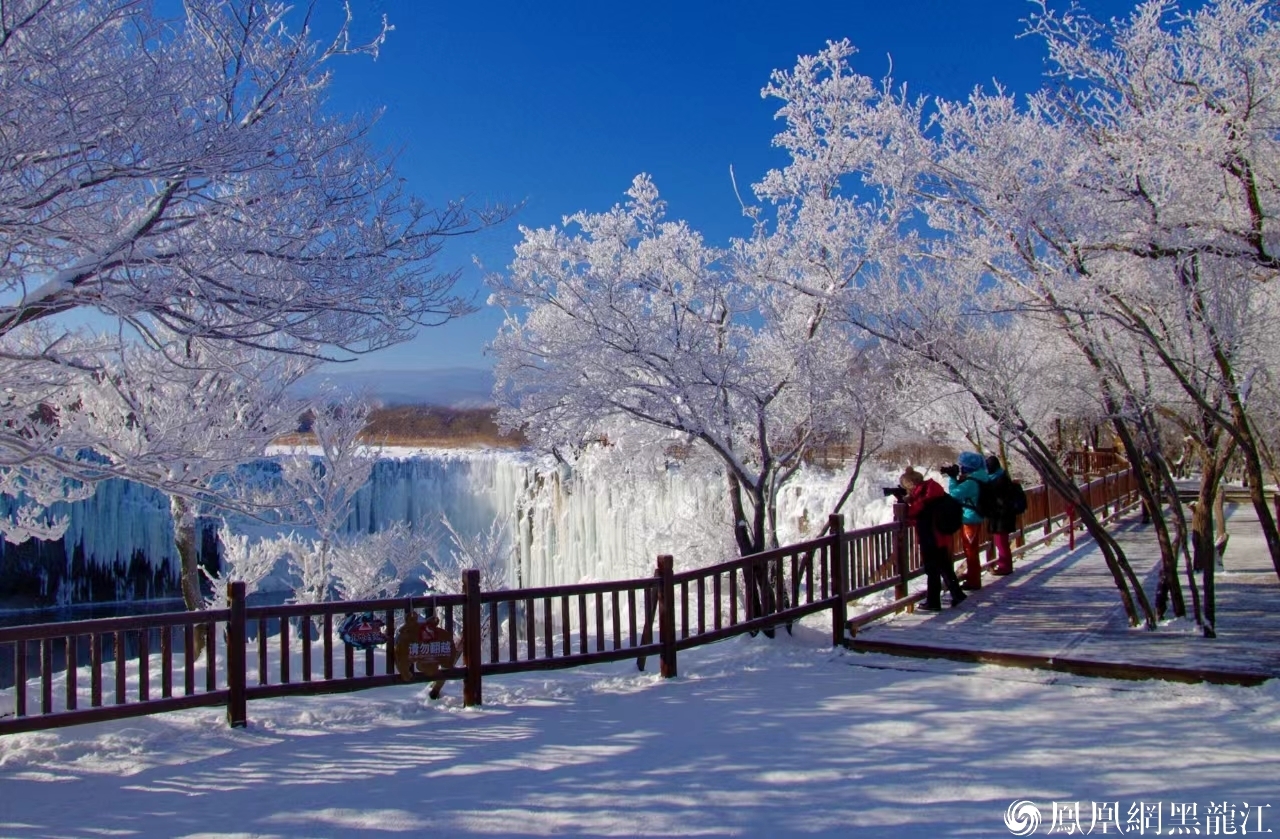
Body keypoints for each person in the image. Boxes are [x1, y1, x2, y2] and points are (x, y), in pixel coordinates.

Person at [899, 468, 966, 611]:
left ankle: (933, 602)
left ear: (911, 484)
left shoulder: (925, 497)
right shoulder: (933, 489)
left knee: (932, 569)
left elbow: (913, 513)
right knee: (944, 566)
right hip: (940, 535)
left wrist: (904, 502)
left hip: (931, 537)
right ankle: (957, 593)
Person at [943, 451, 990, 590]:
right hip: (976, 515)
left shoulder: (971, 482)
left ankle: (974, 581)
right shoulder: (981, 477)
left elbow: (954, 494)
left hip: (970, 518)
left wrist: (952, 479)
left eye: (963, 465)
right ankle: (973, 578)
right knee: (972, 549)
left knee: (970, 550)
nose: (961, 468)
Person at [984, 454, 1016, 575]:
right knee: (1001, 541)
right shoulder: (1001, 476)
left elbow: (1000, 498)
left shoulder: (999, 480)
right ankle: (1005, 565)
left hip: (1001, 516)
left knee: (1001, 542)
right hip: (1002, 515)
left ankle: (1005, 566)